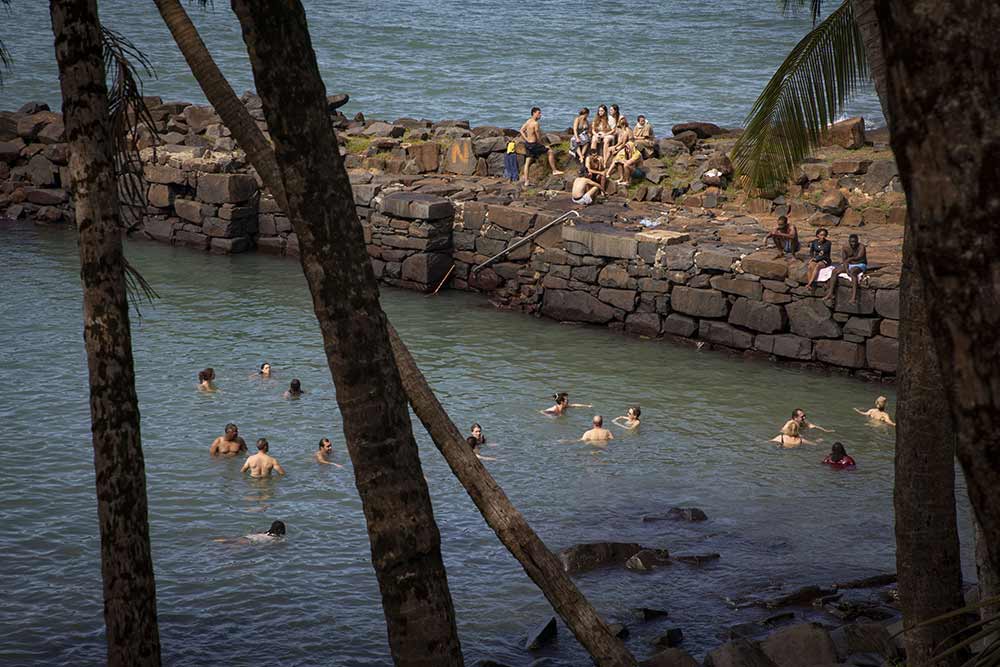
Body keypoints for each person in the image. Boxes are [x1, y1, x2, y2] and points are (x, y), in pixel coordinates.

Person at [519, 107, 563, 186]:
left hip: (528, 144)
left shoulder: (528, 121)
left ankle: (526, 181)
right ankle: (554, 170)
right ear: (534, 113)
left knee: (527, 162)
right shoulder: (536, 123)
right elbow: (538, 136)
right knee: (549, 151)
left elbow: (521, 130)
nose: (540, 115)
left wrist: (526, 139)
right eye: (539, 113)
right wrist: (542, 144)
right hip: (534, 144)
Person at [825, 234, 868, 304]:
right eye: (851, 242)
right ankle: (830, 293)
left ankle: (854, 297)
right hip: (849, 264)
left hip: (860, 264)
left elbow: (859, 257)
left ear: (857, 241)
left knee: (853, 272)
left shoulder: (861, 247)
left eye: (854, 242)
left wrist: (850, 259)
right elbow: (844, 260)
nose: (853, 244)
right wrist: (846, 269)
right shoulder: (845, 247)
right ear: (849, 241)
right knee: (835, 271)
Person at [214, 520, 286, 545]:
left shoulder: (266, 532)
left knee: (229, 541)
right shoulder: (276, 539)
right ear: (280, 529)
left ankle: (214, 541)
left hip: (249, 537)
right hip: (250, 541)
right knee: (230, 548)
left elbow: (257, 533)